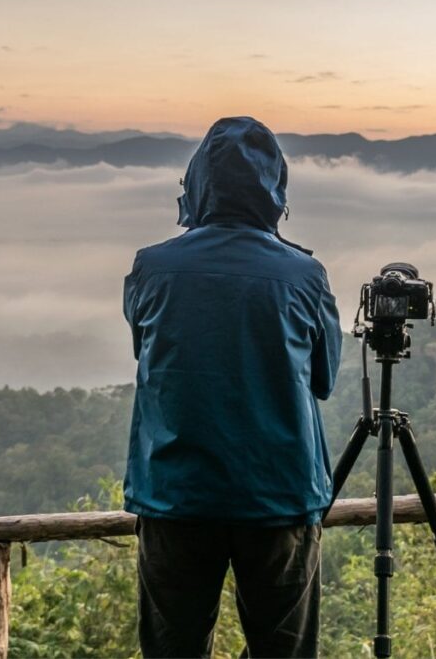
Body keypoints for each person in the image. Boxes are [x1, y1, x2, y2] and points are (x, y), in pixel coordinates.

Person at [122, 116, 342, 658]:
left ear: (197, 184)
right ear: (276, 190)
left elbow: (149, 355)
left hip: (176, 494)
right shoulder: (305, 277)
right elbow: (324, 378)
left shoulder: (151, 268)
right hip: (278, 495)